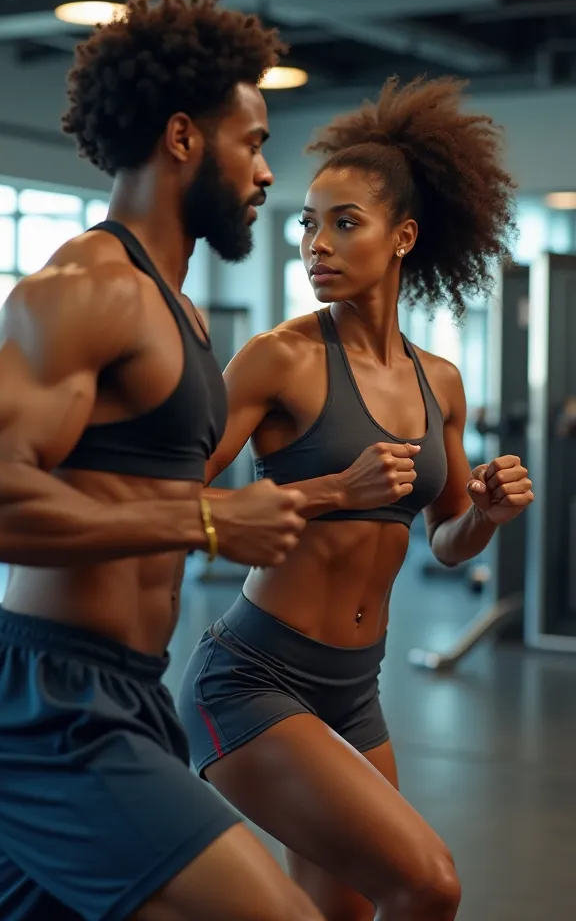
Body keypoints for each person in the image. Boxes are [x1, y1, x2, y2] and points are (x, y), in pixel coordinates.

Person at [0, 0, 325, 921]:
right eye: (254, 141)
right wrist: (201, 519)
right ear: (185, 138)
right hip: (46, 704)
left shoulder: (182, 313)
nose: (267, 173)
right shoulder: (85, 290)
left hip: (132, 693)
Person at [178, 76, 535, 921]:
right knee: (427, 884)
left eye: (345, 223)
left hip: (356, 689)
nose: (316, 244)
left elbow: (447, 542)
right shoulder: (279, 358)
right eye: (307, 223)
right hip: (252, 677)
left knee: (345, 911)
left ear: (403, 236)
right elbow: (169, 500)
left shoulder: (438, 381)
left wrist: (484, 511)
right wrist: (337, 487)